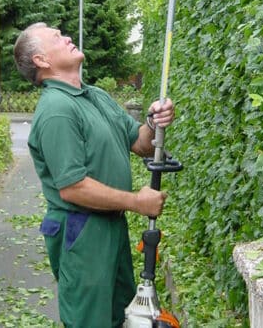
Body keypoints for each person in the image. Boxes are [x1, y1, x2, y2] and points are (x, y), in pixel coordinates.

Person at [13, 22, 175, 328]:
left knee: (118, 317)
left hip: (110, 226)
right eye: (57, 38)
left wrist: (154, 122)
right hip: (82, 231)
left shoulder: (94, 96)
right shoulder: (57, 110)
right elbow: (73, 188)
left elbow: (140, 143)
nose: (68, 38)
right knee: (91, 321)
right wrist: (136, 202)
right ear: (41, 61)